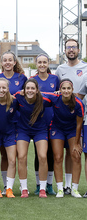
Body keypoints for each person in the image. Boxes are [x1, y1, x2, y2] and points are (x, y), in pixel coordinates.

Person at [55, 39, 87, 194]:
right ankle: (65, 186)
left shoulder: (86, 67)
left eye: (74, 47)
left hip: (80, 117)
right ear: (65, 50)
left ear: (78, 50)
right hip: (62, 118)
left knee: (74, 152)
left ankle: (73, 187)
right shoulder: (60, 69)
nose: (71, 50)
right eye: (68, 47)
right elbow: (55, 92)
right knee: (60, 155)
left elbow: (82, 93)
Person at [0, 50, 26, 194]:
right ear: (1, 62)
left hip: (14, 122)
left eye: (10, 60)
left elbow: (27, 95)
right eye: (4, 60)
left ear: (14, 62)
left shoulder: (21, 78)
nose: (7, 62)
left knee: (9, 156)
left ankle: (8, 186)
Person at [46, 79, 84, 198]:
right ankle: (60, 189)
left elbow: (79, 125)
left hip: (73, 130)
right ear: (60, 90)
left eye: (69, 88)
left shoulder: (79, 103)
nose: (66, 91)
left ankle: (74, 189)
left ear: (72, 90)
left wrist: (77, 143)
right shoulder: (55, 98)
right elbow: (40, 94)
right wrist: (22, 92)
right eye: (64, 88)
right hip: (57, 129)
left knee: (76, 156)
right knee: (57, 157)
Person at [15, 78, 51, 198]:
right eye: (27, 88)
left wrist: (57, 92)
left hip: (40, 130)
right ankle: (24, 188)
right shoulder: (18, 97)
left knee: (42, 156)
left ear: (37, 90)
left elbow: (59, 98)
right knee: (21, 157)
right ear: (23, 90)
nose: (30, 90)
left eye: (32, 88)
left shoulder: (44, 99)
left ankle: (42, 189)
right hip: (23, 130)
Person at [31, 53, 60, 195]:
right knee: (38, 155)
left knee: (51, 154)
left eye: (44, 62)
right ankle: (38, 185)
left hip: (53, 121)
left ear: (48, 63)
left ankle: (49, 185)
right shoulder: (32, 80)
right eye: (39, 62)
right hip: (38, 123)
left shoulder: (55, 79)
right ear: (36, 64)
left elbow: (60, 97)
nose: (42, 65)